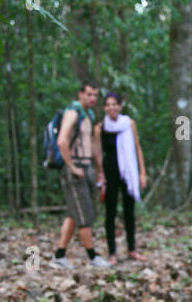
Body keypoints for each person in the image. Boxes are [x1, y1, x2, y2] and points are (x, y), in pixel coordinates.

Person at [49, 81, 111, 270]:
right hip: (75, 170)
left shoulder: (89, 116)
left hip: (87, 167)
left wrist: (100, 171)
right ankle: (93, 256)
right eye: (89, 94)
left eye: (95, 95)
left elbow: (94, 147)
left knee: (74, 214)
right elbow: (62, 141)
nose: (92, 98)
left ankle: (59, 255)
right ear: (80, 94)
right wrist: (72, 166)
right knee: (84, 215)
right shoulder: (72, 113)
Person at [97, 92, 149, 263]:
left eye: (115, 104)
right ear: (104, 108)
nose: (112, 108)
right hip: (110, 172)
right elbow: (97, 152)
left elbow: (138, 148)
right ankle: (112, 253)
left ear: (120, 106)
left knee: (129, 212)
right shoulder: (100, 127)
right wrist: (100, 173)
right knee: (110, 213)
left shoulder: (129, 124)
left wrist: (142, 172)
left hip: (129, 173)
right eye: (108, 105)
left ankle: (132, 249)